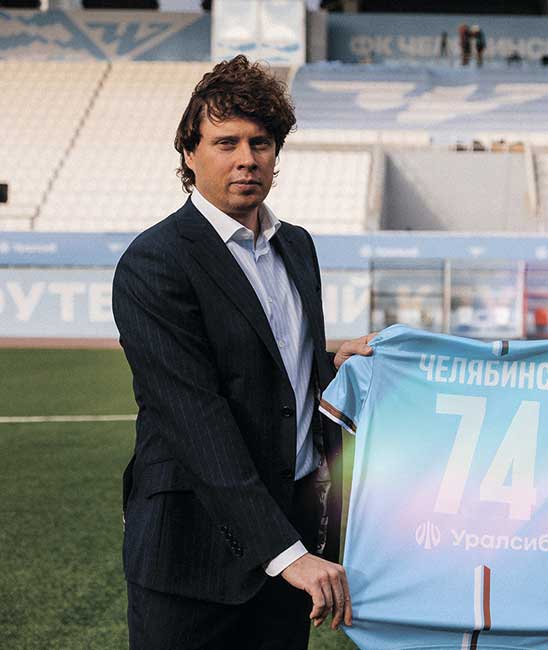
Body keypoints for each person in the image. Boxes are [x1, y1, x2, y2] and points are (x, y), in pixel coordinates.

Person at [112, 55, 372, 650]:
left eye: (261, 142)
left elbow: (273, 370)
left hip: (291, 536)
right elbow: (195, 420)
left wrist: (332, 365)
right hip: (193, 558)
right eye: (225, 142)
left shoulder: (296, 246)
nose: (247, 158)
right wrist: (286, 554)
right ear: (189, 152)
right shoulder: (156, 261)